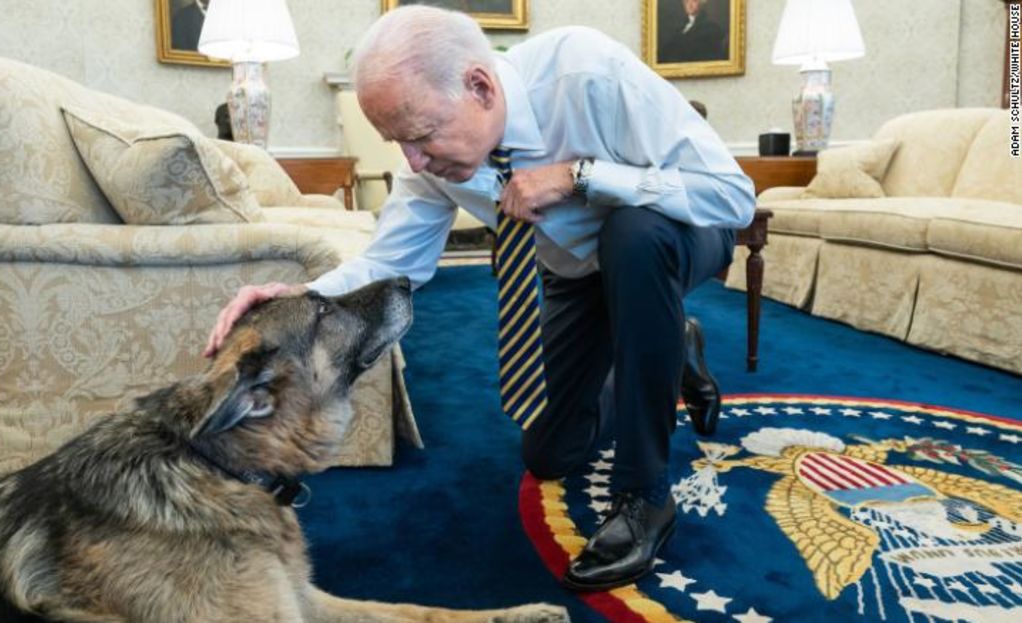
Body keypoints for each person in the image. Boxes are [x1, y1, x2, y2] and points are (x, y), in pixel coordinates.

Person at [204, 6, 754, 591]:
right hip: (577, 274)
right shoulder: (431, 159)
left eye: (419, 137)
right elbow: (394, 264)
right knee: (549, 454)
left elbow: (732, 198)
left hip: (676, 235)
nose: (412, 162)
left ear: (480, 87)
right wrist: (301, 296)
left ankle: (643, 496)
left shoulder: (589, 74)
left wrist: (582, 175)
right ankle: (674, 349)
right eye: (397, 143)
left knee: (633, 236)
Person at [659, 0, 727, 64]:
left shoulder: (710, 27)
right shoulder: (680, 27)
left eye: (694, 1)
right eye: (687, 1)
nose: (689, 5)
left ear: (701, 3)